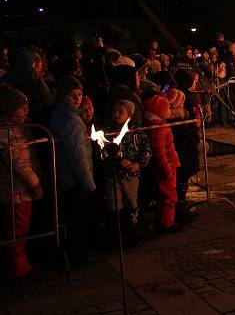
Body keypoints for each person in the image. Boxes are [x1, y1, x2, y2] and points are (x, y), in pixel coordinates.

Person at [49, 75, 95, 263]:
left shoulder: (65, 115)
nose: (77, 99)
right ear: (62, 96)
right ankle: (75, 254)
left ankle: (73, 251)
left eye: (79, 94)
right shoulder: (71, 120)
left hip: (65, 176)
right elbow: (76, 155)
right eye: (72, 95)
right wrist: (88, 182)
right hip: (72, 178)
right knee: (75, 218)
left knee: (71, 217)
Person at [0, 85, 43, 279]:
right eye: (22, 107)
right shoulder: (5, 132)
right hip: (14, 190)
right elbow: (16, 161)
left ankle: (20, 264)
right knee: (17, 229)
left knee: (22, 228)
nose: (26, 111)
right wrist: (34, 182)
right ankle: (18, 268)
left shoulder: (19, 129)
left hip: (20, 189)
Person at [103, 99, 150, 248]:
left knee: (131, 203)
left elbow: (146, 150)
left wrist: (138, 164)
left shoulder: (137, 130)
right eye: (114, 111)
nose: (116, 114)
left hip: (130, 175)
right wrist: (115, 160)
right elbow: (103, 152)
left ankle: (132, 234)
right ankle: (116, 236)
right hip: (113, 174)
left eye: (120, 112)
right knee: (114, 204)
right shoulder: (107, 130)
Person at [142, 94, 179, 232]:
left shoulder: (156, 125)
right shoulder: (157, 128)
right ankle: (167, 223)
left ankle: (164, 219)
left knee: (163, 195)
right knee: (168, 195)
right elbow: (159, 151)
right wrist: (167, 169)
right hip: (167, 164)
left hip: (167, 163)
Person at [173, 70, 201, 222]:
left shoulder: (184, 95)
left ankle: (181, 204)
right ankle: (180, 207)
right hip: (184, 141)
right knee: (183, 173)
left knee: (183, 174)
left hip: (185, 139)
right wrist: (192, 138)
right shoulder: (183, 97)